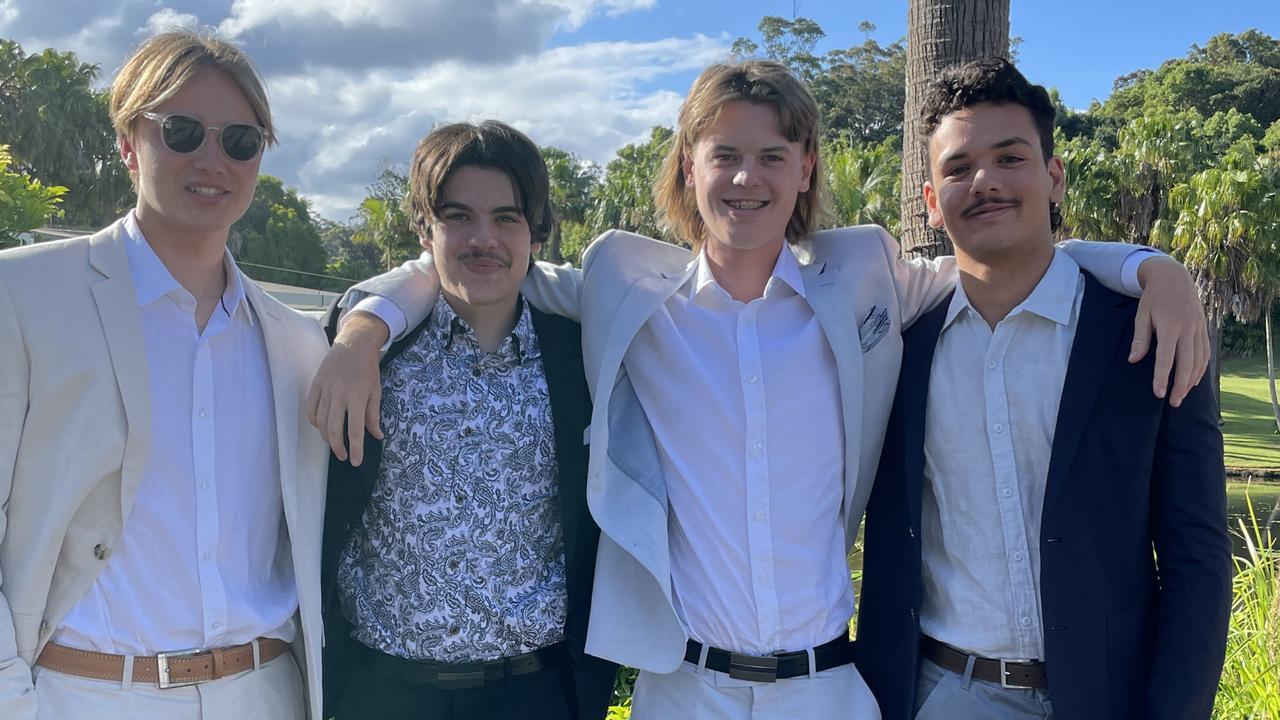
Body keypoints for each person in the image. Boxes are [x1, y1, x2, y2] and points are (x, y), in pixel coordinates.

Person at [309, 60, 1208, 719]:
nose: (748, 178)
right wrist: (365, 323)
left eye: (774, 154)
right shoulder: (625, 282)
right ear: (688, 169)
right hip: (679, 689)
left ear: (806, 169)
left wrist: (1149, 266)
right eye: (724, 154)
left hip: (829, 690)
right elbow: (480, 265)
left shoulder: (864, 275)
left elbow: (1003, 264)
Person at [856, 57, 1231, 720]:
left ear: (1053, 177)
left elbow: (1196, 557)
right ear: (931, 202)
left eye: (1010, 157)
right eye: (958, 167)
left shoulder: (1145, 335)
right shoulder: (897, 347)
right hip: (943, 696)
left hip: (1108, 698)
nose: (985, 182)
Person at [0, 31, 329, 720]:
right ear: (128, 142)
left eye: (240, 141)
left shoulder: (299, 343)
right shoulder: (22, 296)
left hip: (265, 692)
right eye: (181, 132)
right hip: (84, 695)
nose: (213, 159)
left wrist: (376, 319)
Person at [319, 121, 616, 720]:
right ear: (424, 228)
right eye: (458, 216)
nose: (484, 239)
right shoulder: (364, 356)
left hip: (534, 692)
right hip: (382, 693)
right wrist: (362, 329)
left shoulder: (584, 356)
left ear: (535, 232)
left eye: (507, 218)